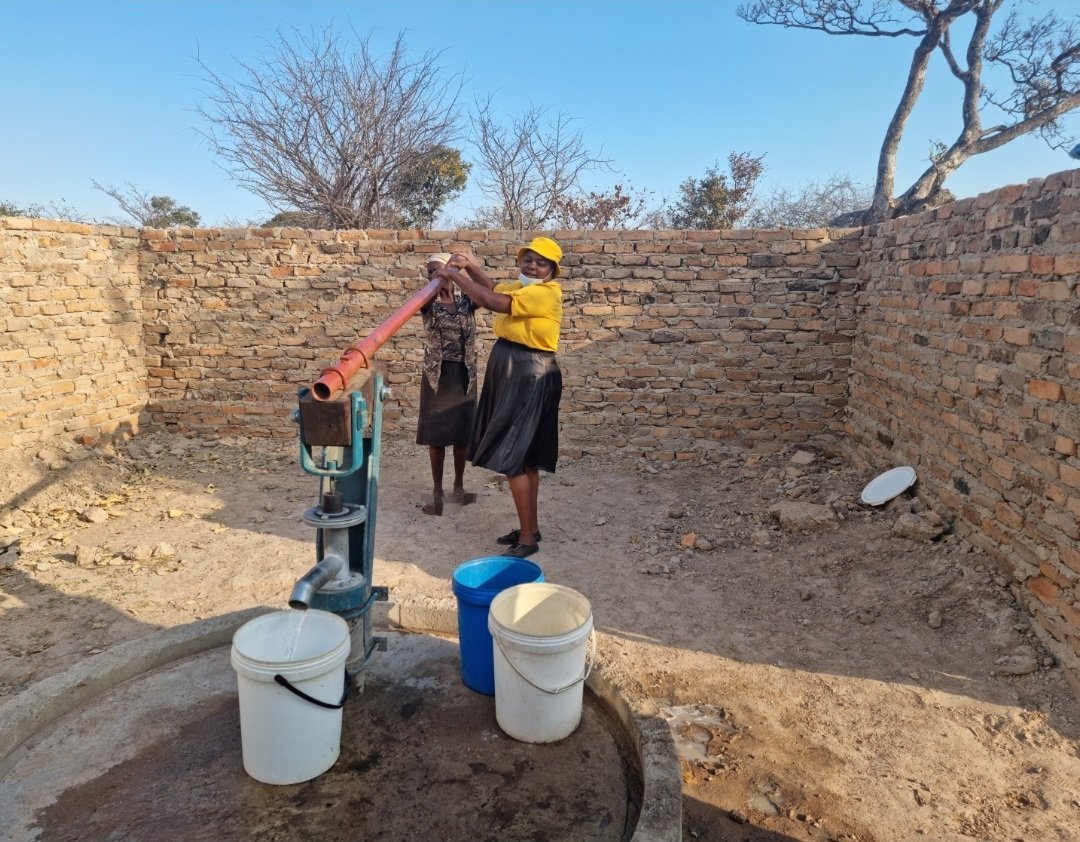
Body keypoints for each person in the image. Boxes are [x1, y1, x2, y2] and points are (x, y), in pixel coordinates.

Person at [434, 237, 564, 558]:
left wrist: (454, 276)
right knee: (526, 458)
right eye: (529, 259)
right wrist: (471, 267)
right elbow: (493, 288)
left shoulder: (545, 294)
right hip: (517, 369)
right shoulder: (522, 289)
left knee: (514, 456)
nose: (532, 265)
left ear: (551, 271)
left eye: (541, 262)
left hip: (528, 373)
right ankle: (529, 529)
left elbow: (492, 302)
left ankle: (528, 541)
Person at [416, 252, 479, 515]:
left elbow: (489, 291)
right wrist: (436, 284)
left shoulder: (467, 303)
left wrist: (468, 267)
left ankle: (459, 487)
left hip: (465, 376)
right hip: (437, 377)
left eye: (440, 269)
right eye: (431, 271)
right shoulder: (426, 302)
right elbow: (423, 301)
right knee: (437, 437)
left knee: (462, 436)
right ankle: (437, 492)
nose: (436, 275)